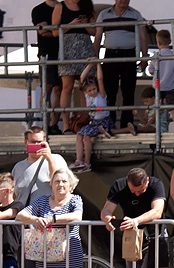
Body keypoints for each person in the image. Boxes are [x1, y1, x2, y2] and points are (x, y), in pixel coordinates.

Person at [12, 127, 67, 268]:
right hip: (27, 225)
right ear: (26, 143)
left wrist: (49, 157)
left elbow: (61, 182)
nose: (37, 147)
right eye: (33, 142)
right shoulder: (18, 167)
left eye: (41, 142)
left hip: (50, 223)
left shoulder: (56, 159)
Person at [93, 0, 147, 129]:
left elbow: (143, 37)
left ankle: (126, 124)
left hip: (129, 55)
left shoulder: (136, 14)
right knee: (109, 91)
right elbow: (98, 37)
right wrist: (96, 59)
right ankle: (109, 123)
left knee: (128, 91)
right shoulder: (104, 14)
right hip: (110, 55)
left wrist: (144, 58)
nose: (124, 1)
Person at [52, 0, 96, 136]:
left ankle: (85, 121)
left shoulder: (87, 5)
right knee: (67, 87)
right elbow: (54, 32)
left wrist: (85, 24)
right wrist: (71, 25)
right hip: (67, 47)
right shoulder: (60, 6)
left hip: (85, 46)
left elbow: (94, 31)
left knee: (86, 86)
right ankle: (66, 126)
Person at [69, 63, 113, 173]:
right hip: (94, 122)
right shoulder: (87, 96)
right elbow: (81, 78)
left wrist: (98, 64)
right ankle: (79, 160)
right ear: (85, 92)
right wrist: (89, 65)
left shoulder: (101, 95)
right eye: (89, 90)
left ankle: (87, 163)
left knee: (86, 135)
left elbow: (100, 78)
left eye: (94, 89)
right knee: (79, 134)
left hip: (104, 121)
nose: (92, 92)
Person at [32, 0, 63, 135]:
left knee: (59, 90)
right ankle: (45, 124)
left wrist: (52, 29)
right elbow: (42, 31)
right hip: (46, 53)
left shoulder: (63, 6)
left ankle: (54, 125)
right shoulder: (38, 10)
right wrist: (58, 28)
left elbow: (47, 29)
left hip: (62, 53)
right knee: (47, 88)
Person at [145, 30, 174, 133]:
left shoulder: (156, 57)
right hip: (170, 86)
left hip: (157, 86)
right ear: (170, 41)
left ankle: (156, 125)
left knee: (157, 106)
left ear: (158, 43)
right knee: (172, 106)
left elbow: (151, 71)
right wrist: (171, 74)